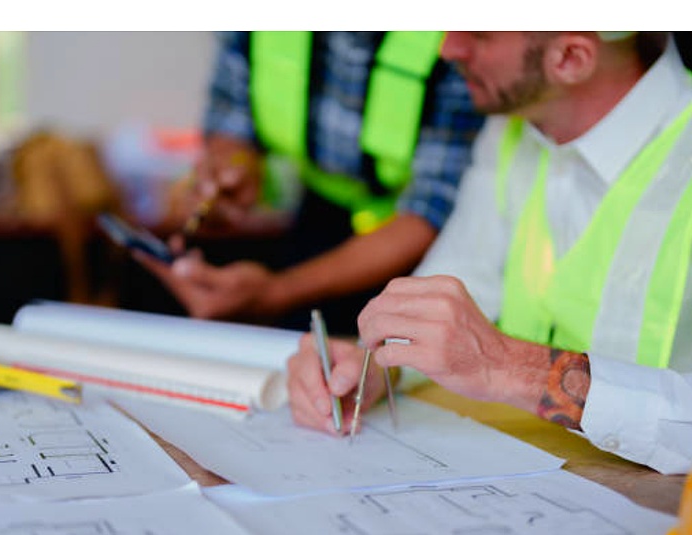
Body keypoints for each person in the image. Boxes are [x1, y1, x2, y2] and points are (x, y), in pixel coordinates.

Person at [286, 31, 692, 475]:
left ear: (572, 58)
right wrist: (376, 363)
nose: (448, 47)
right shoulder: (512, 128)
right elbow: (460, 278)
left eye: (479, 32)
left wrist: (512, 368)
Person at [131, 32, 484, 335]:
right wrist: (232, 166)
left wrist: (277, 292)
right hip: (315, 215)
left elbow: (434, 204)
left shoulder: (454, 39)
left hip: (415, 251)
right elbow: (232, 114)